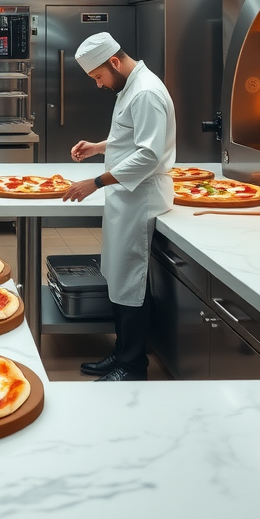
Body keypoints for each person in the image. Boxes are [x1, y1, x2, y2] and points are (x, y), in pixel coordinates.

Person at [61, 32, 176, 381]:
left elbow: (149, 154)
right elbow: (132, 137)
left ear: (114, 62)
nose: (98, 85)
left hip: (140, 199)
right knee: (118, 277)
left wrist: (94, 182)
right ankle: (120, 353)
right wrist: (99, 147)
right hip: (125, 198)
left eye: (98, 77)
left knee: (130, 283)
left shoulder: (145, 92)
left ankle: (132, 365)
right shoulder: (132, 86)